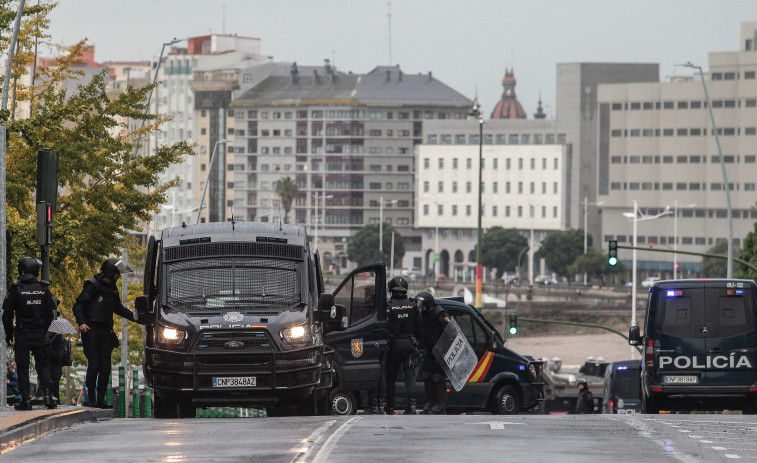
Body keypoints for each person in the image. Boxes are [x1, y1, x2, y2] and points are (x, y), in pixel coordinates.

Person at [73, 257, 137, 408]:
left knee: (106, 367)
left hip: (106, 331)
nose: (119, 276)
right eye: (117, 273)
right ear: (111, 272)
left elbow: (118, 308)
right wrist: (81, 322)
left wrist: (135, 317)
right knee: (94, 364)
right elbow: (78, 305)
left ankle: (101, 398)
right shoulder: (92, 285)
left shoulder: (112, 288)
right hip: (91, 330)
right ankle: (92, 399)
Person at [2, 256, 58, 410]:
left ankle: (25, 400)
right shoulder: (43, 288)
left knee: (23, 367)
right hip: (39, 333)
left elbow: (6, 314)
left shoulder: (16, 288)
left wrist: (9, 334)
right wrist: (44, 329)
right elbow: (50, 313)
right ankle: (48, 395)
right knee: (43, 364)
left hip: (22, 334)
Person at [384, 276, 422, 415]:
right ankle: (412, 406)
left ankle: (389, 407)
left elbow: (384, 327)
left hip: (394, 346)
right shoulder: (413, 305)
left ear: (391, 289)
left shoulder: (388, 306)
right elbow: (419, 327)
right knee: (410, 375)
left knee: (391, 377)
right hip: (410, 346)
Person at [416, 290, 450, 415]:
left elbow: (449, 332)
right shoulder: (423, 314)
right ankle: (430, 402)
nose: (421, 307)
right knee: (427, 376)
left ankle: (440, 404)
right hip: (429, 350)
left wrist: (444, 350)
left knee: (438, 377)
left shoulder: (440, 314)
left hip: (440, 351)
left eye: (422, 304)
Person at [47, 328, 69, 404]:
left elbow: (58, 357)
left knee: (54, 390)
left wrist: (48, 348)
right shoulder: (48, 339)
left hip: (55, 370)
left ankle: (56, 403)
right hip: (48, 368)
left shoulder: (58, 340)